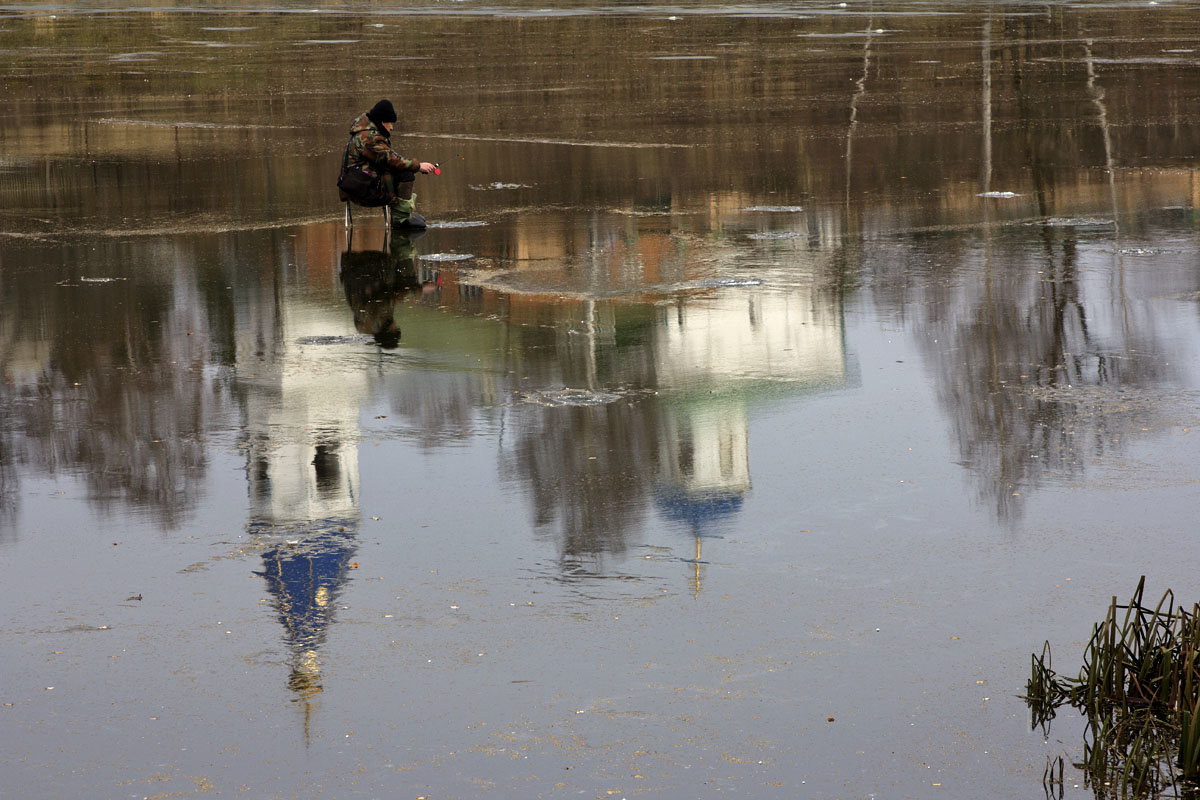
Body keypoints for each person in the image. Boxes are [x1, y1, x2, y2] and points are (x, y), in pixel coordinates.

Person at [338, 99, 437, 229]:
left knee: (401, 169)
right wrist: (418, 166)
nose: (392, 127)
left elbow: (388, 157)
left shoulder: (365, 132)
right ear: (383, 122)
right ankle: (400, 219)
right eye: (390, 123)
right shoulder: (370, 138)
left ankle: (404, 213)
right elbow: (391, 160)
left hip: (356, 185)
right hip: (362, 191)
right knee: (406, 174)